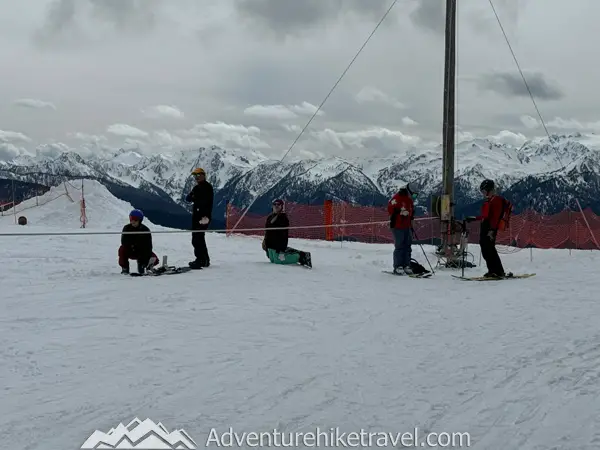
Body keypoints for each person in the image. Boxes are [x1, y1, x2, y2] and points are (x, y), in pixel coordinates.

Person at [469, 179, 507, 278]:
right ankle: (495, 271)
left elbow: (495, 217)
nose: (483, 194)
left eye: (484, 191)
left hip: (489, 228)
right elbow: (486, 216)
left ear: (489, 190)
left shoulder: (496, 200)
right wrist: (475, 218)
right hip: (486, 226)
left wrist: (492, 230)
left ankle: (496, 271)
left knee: (488, 250)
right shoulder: (490, 200)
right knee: (487, 249)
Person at [262, 199, 312, 268]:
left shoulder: (283, 218)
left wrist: (281, 248)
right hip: (270, 244)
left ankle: (300, 256)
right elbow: (267, 231)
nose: (276, 206)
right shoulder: (270, 217)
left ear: (282, 206)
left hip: (278, 245)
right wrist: (265, 242)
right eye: (275, 204)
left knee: (278, 261)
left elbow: (283, 235)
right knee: (272, 260)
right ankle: (288, 251)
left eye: (278, 204)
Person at [186, 167, 214, 269]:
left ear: (203, 175)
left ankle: (201, 260)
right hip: (197, 216)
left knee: (198, 238)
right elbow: (188, 198)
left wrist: (206, 216)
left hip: (203, 217)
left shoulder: (207, 187)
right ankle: (204, 259)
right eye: (195, 176)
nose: (196, 178)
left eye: (198, 175)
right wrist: (194, 197)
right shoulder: (197, 188)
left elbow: (204, 201)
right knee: (198, 238)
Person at [118, 209, 159, 275]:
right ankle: (125, 268)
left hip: (142, 251)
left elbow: (148, 246)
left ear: (140, 220)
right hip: (130, 250)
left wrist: (144, 260)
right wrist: (134, 243)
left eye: (135, 219)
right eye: (131, 219)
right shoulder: (126, 228)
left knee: (154, 258)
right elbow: (124, 243)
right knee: (122, 249)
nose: (133, 221)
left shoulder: (145, 230)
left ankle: (146, 266)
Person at [387, 184, 416, 275]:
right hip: (397, 226)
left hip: (407, 225)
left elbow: (412, 211)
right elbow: (390, 209)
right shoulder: (397, 198)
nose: (414, 197)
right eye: (414, 195)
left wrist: (411, 219)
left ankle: (406, 265)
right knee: (399, 246)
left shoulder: (409, 200)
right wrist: (400, 212)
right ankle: (398, 266)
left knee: (408, 245)